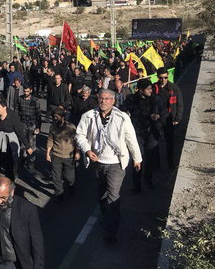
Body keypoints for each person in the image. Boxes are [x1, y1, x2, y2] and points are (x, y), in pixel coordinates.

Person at [76, 89, 142, 242]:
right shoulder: (88, 116)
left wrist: (137, 158)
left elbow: (131, 138)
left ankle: (111, 231)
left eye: (107, 99)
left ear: (113, 101)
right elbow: (79, 134)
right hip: (98, 163)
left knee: (113, 196)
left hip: (116, 164)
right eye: (101, 98)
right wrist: (87, 150)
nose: (103, 101)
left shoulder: (122, 118)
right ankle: (107, 217)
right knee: (101, 195)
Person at [0, 177, 44, 269]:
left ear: (12, 192)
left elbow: (37, 241)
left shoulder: (27, 209)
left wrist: (38, 266)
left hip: (14, 264)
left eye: (3, 197)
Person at [123, 79, 164, 192]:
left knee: (150, 158)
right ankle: (137, 185)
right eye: (148, 89)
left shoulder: (155, 99)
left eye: (151, 88)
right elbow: (122, 111)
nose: (151, 91)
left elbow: (163, 111)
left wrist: (158, 116)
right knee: (137, 158)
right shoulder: (131, 99)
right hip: (137, 133)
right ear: (140, 90)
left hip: (151, 132)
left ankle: (148, 180)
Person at [0, 101, 33, 181]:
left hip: (11, 142)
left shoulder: (13, 118)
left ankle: (10, 180)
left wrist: (27, 146)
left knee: (11, 162)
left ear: (5, 108)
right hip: (0, 141)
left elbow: (20, 133)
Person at [46, 107, 80, 202]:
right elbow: (50, 140)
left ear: (62, 117)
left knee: (70, 178)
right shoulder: (53, 127)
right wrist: (48, 153)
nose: (55, 119)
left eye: (57, 117)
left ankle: (71, 186)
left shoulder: (71, 127)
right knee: (56, 177)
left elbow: (77, 141)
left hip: (68, 157)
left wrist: (77, 152)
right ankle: (59, 194)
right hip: (56, 156)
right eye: (53, 117)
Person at [153, 67, 184, 169]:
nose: (164, 80)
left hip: (169, 119)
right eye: (161, 78)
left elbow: (180, 104)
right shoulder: (154, 88)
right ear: (158, 77)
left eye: (165, 77)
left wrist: (177, 119)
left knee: (170, 142)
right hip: (156, 120)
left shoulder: (174, 88)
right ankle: (156, 164)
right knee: (155, 143)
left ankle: (170, 162)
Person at [17, 86, 42, 173]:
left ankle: (31, 161)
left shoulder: (35, 101)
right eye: (24, 91)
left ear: (31, 91)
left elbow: (38, 114)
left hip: (32, 125)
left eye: (27, 91)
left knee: (32, 144)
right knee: (23, 143)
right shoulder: (20, 99)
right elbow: (18, 112)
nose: (26, 93)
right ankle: (23, 159)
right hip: (22, 124)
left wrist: (38, 127)